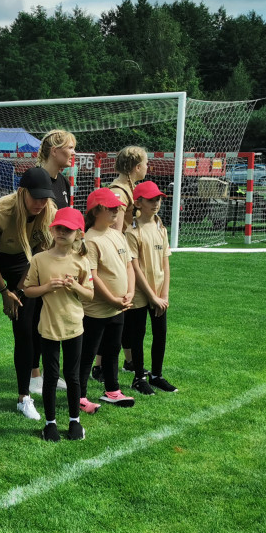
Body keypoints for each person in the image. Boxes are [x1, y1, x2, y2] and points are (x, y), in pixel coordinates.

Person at [0, 166, 56, 421]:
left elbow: (37, 255)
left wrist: (17, 290)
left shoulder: (48, 212)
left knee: (25, 328)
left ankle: (23, 397)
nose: (41, 202)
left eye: (45, 197)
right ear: (22, 192)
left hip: (22, 261)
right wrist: (3, 290)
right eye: (36, 196)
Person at [22, 207, 93, 441]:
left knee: (72, 376)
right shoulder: (39, 259)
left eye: (68, 229)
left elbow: (90, 295)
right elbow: (28, 290)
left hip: (74, 326)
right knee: (51, 376)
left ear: (78, 234)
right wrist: (46, 288)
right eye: (58, 228)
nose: (62, 232)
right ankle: (50, 423)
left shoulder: (81, 261)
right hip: (49, 328)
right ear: (52, 230)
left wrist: (76, 287)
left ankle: (75, 422)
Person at [28, 130, 77, 396]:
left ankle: (48, 372)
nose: (73, 153)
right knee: (34, 317)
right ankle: (33, 374)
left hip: (57, 259)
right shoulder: (37, 179)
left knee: (51, 315)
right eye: (69, 148)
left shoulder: (64, 184)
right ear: (54, 151)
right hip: (37, 261)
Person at [79, 188, 136, 411]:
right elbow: (92, 275)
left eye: (117, 207)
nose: (116, 211)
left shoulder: (117, 234)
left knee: (113, 350)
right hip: (96, 310)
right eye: (111, 208)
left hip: (118, 307)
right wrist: (111, 298)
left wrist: (129, 292)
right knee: (88, 353)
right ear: (96, 211)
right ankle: (80, 395)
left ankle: (112, 390)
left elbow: (129, 265)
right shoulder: (90, 240)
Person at [122, 181, 177, 395]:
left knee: (160, 333)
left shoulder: (160, 226)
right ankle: (138, 378)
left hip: (158, 294)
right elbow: (134, 267)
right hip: (139, 293)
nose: (156, 203)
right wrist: (152, 296)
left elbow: (165, 262)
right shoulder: (132, 231)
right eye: (151, 199)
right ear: (138, 203)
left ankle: (157, 375)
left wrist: (163, 294)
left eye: (158, 199)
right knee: (138, 334)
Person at [106, 145, 149, 375]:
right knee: (114, 315)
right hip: (118, 260)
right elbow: (114, 231)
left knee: (124, 315)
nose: (148, 167)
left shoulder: (127, 189)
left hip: (125, 257)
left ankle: (128, 361)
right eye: (146, 163)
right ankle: (101, 367)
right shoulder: (119, 192)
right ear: (136, 167)